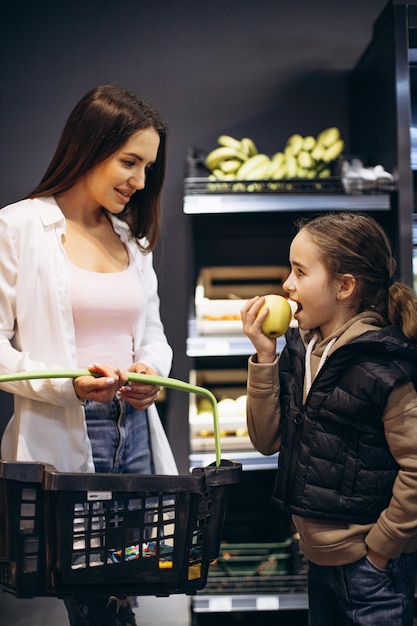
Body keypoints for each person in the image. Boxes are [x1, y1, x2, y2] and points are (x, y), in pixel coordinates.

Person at [0, 84, 177, 625]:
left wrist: (152, 374)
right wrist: (69, 385)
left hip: (136, 430)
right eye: (130, 161)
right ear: (89, 144)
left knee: (128, 580)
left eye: (148, 166)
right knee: (89, 590)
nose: (140, 181)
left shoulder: (131, 240)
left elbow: (153, 336)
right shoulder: (19, 228)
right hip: (71, 427)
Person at [241, 211, 417, 626]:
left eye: (300, 272)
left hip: (372, 570)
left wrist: (380, 548)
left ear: (344, 286)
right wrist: (264, 359)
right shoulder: (302, 352)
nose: (287, 284)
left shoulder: (381, 367)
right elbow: (266, 440)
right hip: (319, 563)